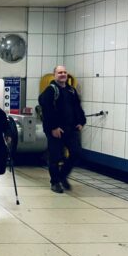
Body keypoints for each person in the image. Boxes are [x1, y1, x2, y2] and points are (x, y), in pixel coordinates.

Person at [39, 65, 86, 194]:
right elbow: (46, 110)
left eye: (65, 72)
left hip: (71, 129)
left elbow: (77, 107)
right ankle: (55, 182)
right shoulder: (51, 90)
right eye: (60, 72)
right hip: (55, 130)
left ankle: (62, 176)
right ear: (54, 75)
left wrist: (81, 121)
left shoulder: (71, 90)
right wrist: (53, 127)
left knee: (76, 153)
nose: (63, 74)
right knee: (55, 157)